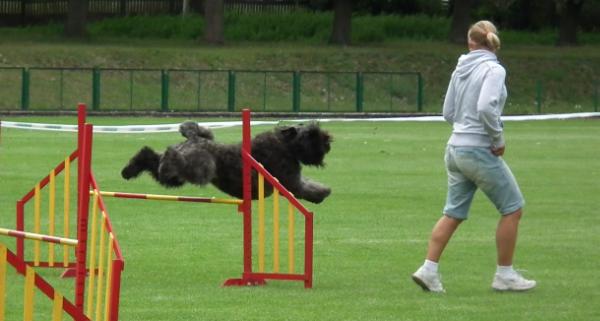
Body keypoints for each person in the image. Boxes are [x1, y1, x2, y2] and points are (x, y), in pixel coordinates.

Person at [411, 20, 536, 293]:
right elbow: (486, 107)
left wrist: (464, 130)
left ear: (470, 42)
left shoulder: (461, 68)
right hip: (478, 150)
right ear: (492, 41)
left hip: (454, 149)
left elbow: (448, 113)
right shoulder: (494, 69)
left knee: (453, 212)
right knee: (513, 208)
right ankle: (505, 274)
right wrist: (497, 138)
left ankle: (428, 270)